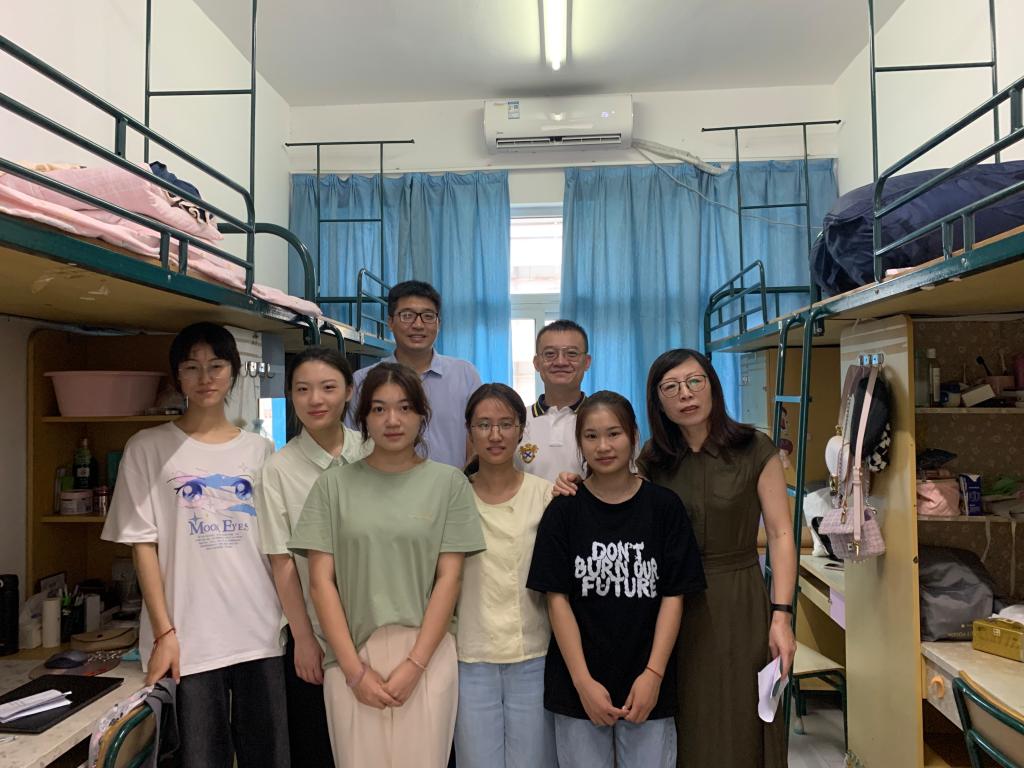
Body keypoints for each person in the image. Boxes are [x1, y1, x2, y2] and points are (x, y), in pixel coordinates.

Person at [556, 350, 797, 767]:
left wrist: (782, 615)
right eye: (671, 387)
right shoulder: (653, 459)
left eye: (694, 381)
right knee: (676, 717)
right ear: (658, 401)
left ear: (712, 386)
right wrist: (574, 481)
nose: (685, 394)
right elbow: (619, 496)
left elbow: (780, 533)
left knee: (740, 712)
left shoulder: (754, 447)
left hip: (737, 599)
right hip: (667, 603)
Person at [101, 322, 288, 768]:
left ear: (233, 372)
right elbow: (142, 545)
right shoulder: (147, 447)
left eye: (216, 365)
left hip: (259, 632)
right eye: (192, 367)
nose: (205, 377)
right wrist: (165, 634)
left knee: (269, 756)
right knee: (199, 758)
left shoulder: (261, 451)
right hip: (188, 641)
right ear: (177, 377)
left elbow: (276, 549)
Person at [290, 362, 486, 768]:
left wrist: (415, 665)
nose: (392, 420)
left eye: (404, 408)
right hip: (351, 654)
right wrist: (354, 672)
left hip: (426, 652)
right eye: (379, 409)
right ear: (362, 418)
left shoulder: (449, 484)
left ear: (421, 415)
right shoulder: (333, 486)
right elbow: (321, 583)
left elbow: (450, 579)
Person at [528, 391, 705, 768]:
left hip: (648, 686)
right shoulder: (563, 511)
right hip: (578, 687)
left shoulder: (664, 507)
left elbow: (674, 596)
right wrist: (582, 682)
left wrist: (653, 675)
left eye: (614, 434)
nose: (603, 446)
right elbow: (556, 600)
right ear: (579, 443)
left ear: (633, 436)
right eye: (591, 436)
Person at [255, 347, 372, 768]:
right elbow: (282, 561)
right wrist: (303, 639)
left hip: (381, 630)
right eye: (302, 389)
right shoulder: (278, 470)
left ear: (349, 391)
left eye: (327, 387)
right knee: (319, 749)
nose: (315, 399)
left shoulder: (375, 451)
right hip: (318, 638)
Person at [454, 383, 557, 768]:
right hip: (470, 656)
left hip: (535, 654)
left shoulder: (546, 496)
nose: (495, 435)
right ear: (469, 431)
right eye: (483, 425)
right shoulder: (452, 496)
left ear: (520, 430)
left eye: (505, 424)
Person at [348, 280, 481, 468]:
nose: (418, 325)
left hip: (453, 485)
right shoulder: (363, 380)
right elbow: (354, 444)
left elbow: (478, 438)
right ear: (390, 322)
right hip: (384, 484)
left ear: (439, 323)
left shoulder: (465, 375)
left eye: (428, 316)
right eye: (407, 316)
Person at [515, 320, 592, 483]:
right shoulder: (517, 421)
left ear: (587, 362)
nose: (560, 362)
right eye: (550, 354)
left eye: (572, 354)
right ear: (536, 363)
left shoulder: (610, 421)